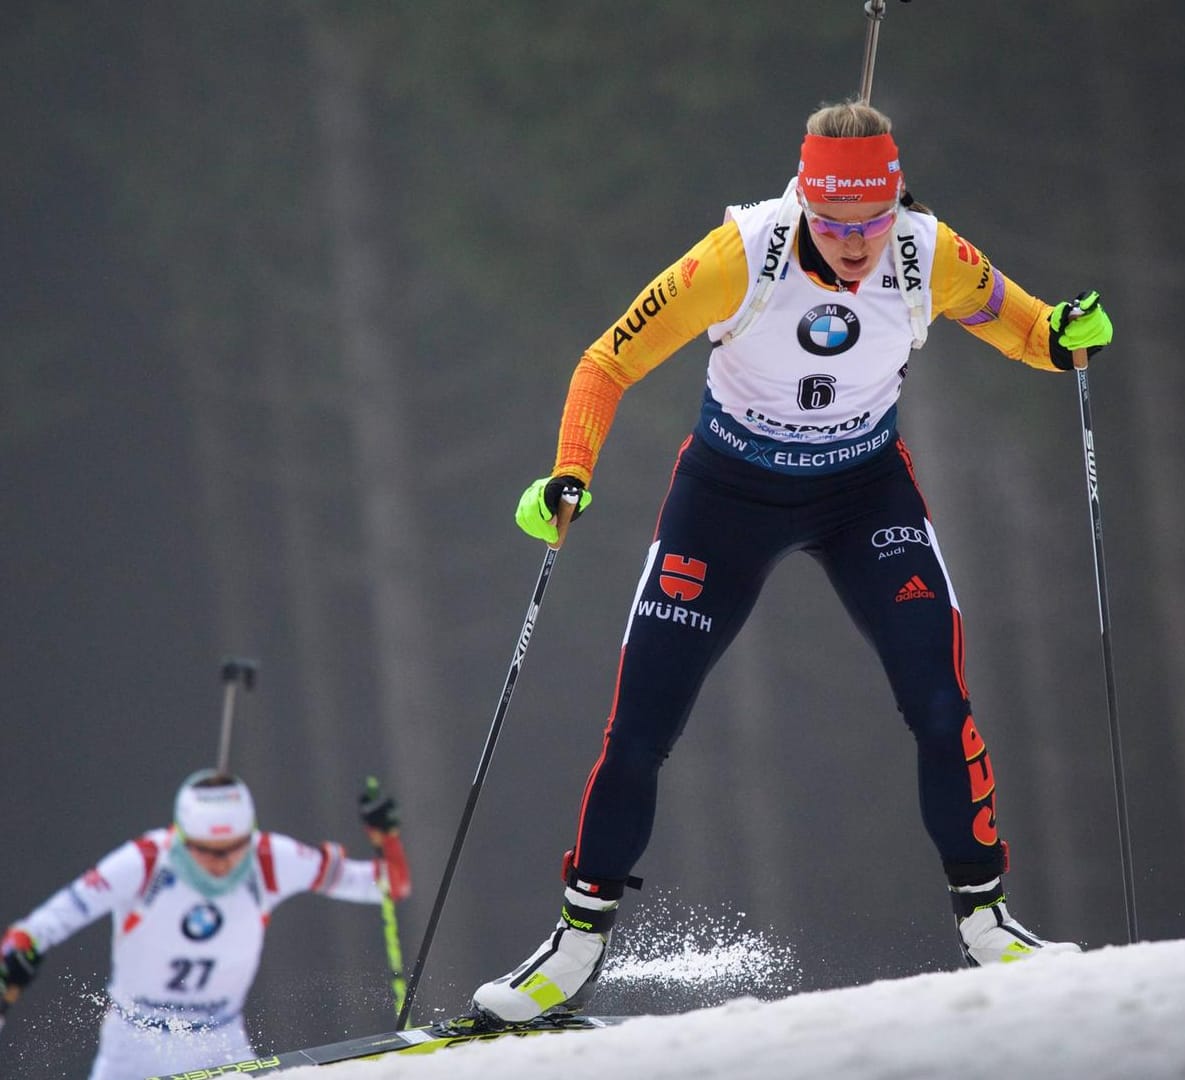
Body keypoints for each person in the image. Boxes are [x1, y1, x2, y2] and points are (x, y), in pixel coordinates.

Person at [472, 99, 1113, 1023]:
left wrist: (1067, 336)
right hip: (727, 496)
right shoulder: (741, 256)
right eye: (836, 224)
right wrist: (568, 472)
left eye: (873, 222)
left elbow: (1029, 331)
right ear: (805, 202)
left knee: (939, 699)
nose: (856, 246)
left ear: (897, 203)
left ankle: (988, 923)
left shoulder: (926, 252)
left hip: (864, 493)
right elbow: (606, 363)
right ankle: (573, 948)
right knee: (643, 722)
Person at [0, 771, 411, 1080]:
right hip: (134, 1043)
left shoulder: (270, 859)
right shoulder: (144, 862)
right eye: (206, 851)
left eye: (233, 850)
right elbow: (42, 925)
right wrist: (16, 956)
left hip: (218, 1042)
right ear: (182, 837)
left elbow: (389, 885)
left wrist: (385, 836)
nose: (221, 864)